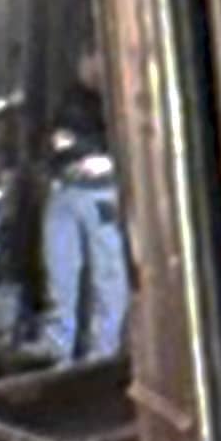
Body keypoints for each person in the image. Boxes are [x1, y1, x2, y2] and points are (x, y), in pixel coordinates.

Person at [38, 81, 133, 368]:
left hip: (93, 192)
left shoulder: (108, 103)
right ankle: (75, 350)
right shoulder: (79, 103)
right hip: (80, 191)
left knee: (102, 276)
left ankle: (94, 352)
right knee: (70, 274)